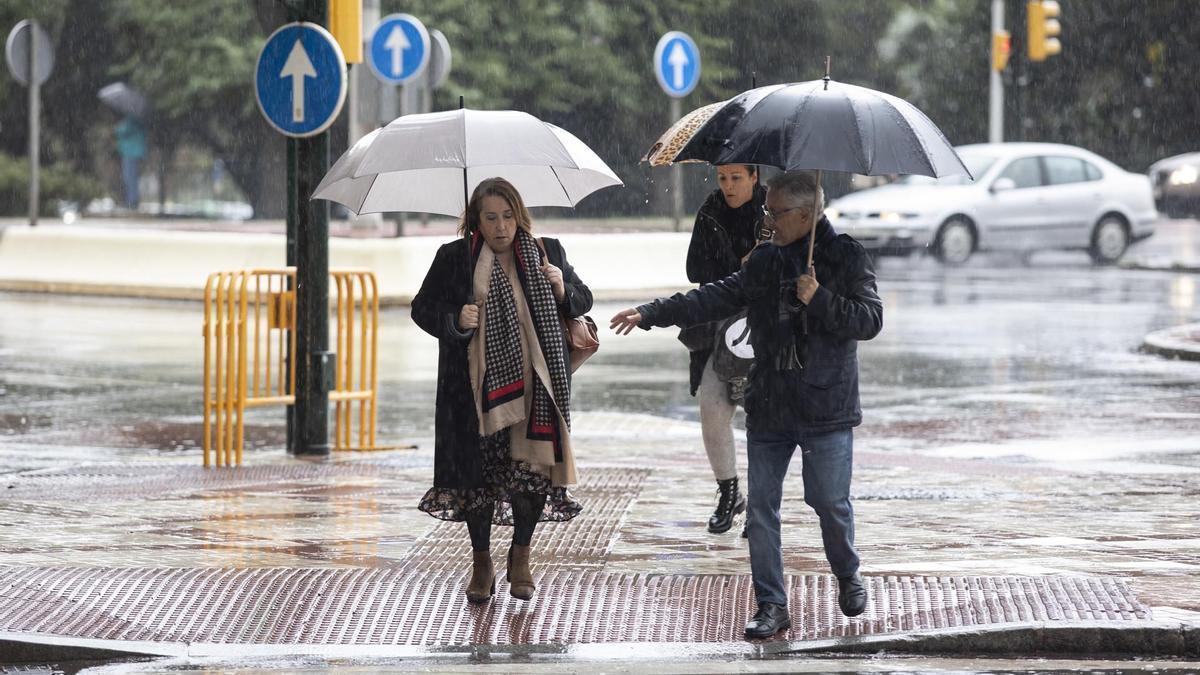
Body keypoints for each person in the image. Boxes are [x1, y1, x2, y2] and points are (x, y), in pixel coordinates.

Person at [610, 171, 882, 638]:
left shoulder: (844, 255)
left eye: (775, 212)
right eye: (767, 210)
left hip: (825, 407)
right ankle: (771, 605)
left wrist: (820, 299)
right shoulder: (766, 261)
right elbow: (714, 296)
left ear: (805, 215)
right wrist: (651, 312)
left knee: (828, 502)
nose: (767, 219)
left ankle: (846, 572)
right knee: (760, 509)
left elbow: (870, 319)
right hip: (771, 405)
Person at [412, 177, 592, 604]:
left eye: (508, 216)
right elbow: (422, 308)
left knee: (529, 473)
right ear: (476, 220)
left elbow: (583, 300)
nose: (501, 227)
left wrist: (561, 287)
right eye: (490, 218)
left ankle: (521, 556)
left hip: (537, 389)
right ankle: (481, 562)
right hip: (472, 392)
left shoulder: (547, 252)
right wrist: (457, 318)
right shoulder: (454, 258)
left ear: (519, 215)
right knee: (479, 479)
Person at [683, 164, 766, 535]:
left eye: (736, 178)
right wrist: (737, 267)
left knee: (764, 417)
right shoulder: (710, 212)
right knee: (712, 410)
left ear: (754, 177)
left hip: (766, 326)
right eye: (722, 178)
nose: (728, 186)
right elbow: (693, 269)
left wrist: (764, 260)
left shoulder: (774, 210)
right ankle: (729, 491)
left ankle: (762, 505)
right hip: (716, 325)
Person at [114, 116, 146, 209]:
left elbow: (120, 131)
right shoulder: (139, 123)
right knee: (131, 178)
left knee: (129, 178)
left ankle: (132, 201)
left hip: (130, 153)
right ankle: (132, 199)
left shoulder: (132, 122)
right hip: (134, 153)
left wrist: (117, 127)